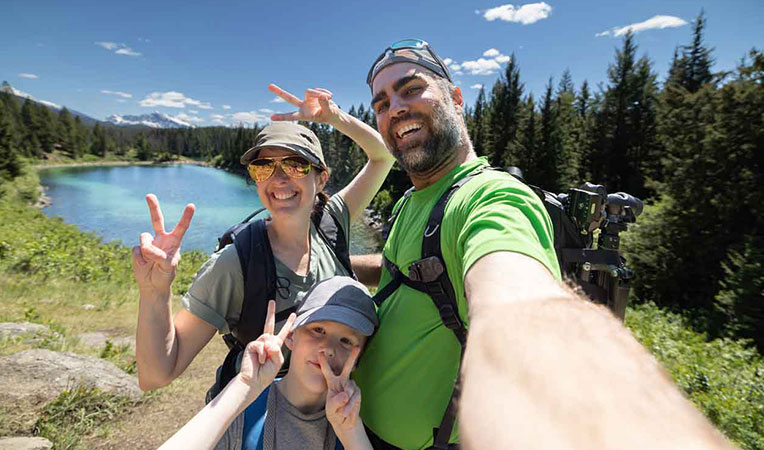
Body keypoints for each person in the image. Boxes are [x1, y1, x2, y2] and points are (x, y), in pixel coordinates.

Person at [351, 39, 731, 449]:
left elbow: (517, 305)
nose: (396, 109)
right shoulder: (413, 200)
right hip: (353, 427)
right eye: (382, 103)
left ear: (456, 98)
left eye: (411, 89)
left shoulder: (492, 198)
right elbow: (402, 270)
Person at [133, 84, 395, 394]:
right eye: (263, 167)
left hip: (341, 417)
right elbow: (156, 375)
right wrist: (154, 291)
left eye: (296, 165)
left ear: (321, 177)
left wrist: (335, 118)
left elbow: (382, 156)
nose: (279, 178)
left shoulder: (332, 220)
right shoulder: (237, 263)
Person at [159, 276, 378, 450]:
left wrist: (351, 433)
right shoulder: (243, 412)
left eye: (346, 341)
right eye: (318, 330)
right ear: (291, 335)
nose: (329, 349)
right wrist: (244, 386)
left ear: (358, 359)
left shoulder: (357, 425)